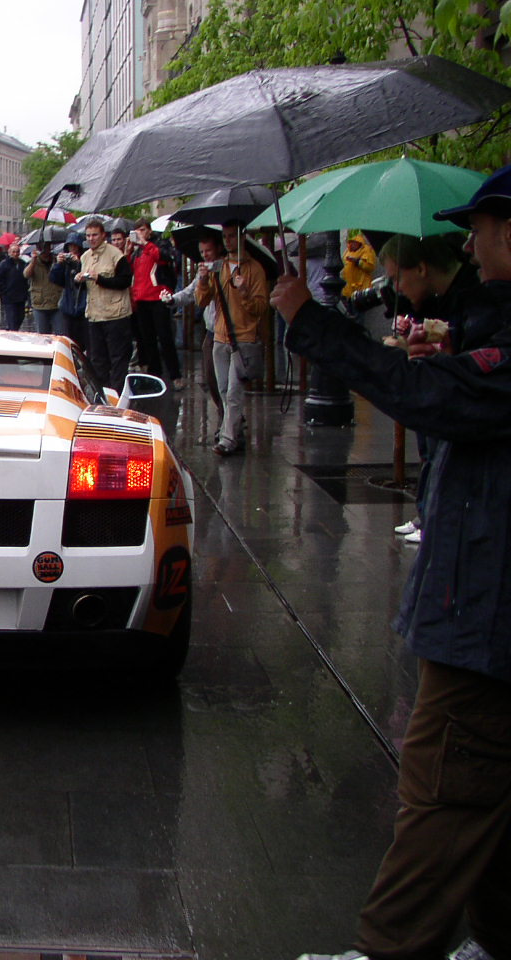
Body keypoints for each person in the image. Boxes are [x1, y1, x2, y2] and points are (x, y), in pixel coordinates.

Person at [276, 164, 511, 960]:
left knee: (443, 782)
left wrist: (315, 323)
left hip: (486, 614)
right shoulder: (488, 314)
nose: (472, 245)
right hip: (478, 598)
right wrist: (431, 326)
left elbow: (440, 397)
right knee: (486, 787)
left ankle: (393, 949)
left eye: (480, 229)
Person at [377, 233, 497, 545]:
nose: (469, 249)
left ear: (420, 268)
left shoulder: (474, 297)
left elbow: (464, 359)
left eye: (396, 278)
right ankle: (428, 513)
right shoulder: (440, 298)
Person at [194, 219, 269, 456]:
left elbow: (260, 308)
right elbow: (202, 301)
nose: (227, 241)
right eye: (224, 237)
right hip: (220, 336)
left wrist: (244, 291)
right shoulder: (219, 267)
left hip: (243, 338)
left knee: (234, 393)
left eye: (232, 236)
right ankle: (235, 433)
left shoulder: (254, 269)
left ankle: (227, 439)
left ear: (242, 236)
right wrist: (204, 282)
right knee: (224, 390)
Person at [163, 233, 225, 422]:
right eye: (202, 252)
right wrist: (173, 299)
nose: (205, 255)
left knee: (226, 380)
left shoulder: (227, 267)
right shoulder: (203, 271)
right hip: (212, 329)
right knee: (210, 376)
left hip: (229, 331)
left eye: (208, 250)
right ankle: (224, 412)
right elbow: (192, 292)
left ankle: (229, 418)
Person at [78, 217, 135, 392]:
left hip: (116, 315)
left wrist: (100, 279)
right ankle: (101, 393)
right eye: (88, 235)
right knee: (97, 358)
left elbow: (125, 281)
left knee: (118, 358)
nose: (91, 238)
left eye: (95, 235)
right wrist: (78, 279)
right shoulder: (85, 256)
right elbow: (84, 284)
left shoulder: (116, 255)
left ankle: (117, 394)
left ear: (103, 235)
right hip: (95, 315)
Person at [130, 217, 183, 387]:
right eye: (137, 231)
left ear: (149, 230)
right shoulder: (135, 251)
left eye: (143, 230)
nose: (140, 234)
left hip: (158, 297)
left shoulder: (159, 243)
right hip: (141, 299)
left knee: (165, 337)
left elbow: (164, 257)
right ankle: (155, 375)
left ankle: (175, 375)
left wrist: (146, 244)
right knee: (147, 339)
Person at [49, 233, 87, 347]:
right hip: (68, 306)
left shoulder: (85, 260)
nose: (73, 249)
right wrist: (58, 264)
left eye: (75, 246)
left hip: (83, 306)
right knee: (68, 340)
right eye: (70, 246)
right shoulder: (65, 264)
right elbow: (54, 279)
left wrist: (79, 263)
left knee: (84, 341)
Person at [24, 241, 66, 335]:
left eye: (46, 247)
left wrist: (60, 263)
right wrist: (33, 261)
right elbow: (26, 274)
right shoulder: (33, 262)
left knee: (61, 334)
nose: (44, 250)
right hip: (40, 304)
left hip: (57, 303)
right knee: (43, 335)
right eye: (42, 248)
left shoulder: (56, 260)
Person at [0, 242, 29, 331]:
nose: (15, 254)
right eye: (13, 252)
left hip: (21, 296)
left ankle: (12, 330)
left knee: (20, 317)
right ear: (9, 252)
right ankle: (12, 332)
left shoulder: (22, 263)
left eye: (17, 252)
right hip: (9, 297)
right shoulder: (4, 264)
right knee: (12, 319)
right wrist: (3, 292)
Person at [342, 231, 378, 299]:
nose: (351, 244)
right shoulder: (347, 252)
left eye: (353, 242)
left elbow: (370, 267)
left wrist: (357, 262)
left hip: (362, 289)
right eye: (350, 242)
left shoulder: (366, 250)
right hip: (348, 291)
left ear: (359, 241)